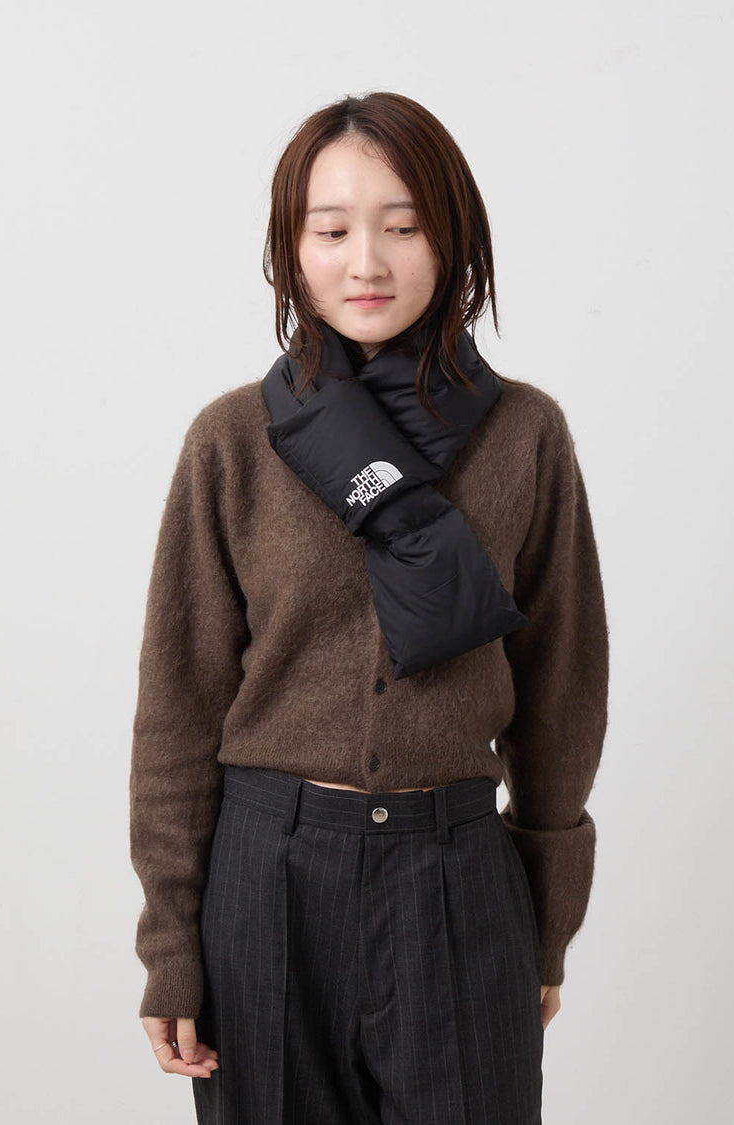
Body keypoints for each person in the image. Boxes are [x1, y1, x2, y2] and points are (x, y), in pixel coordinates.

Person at [130, 90, 610, 1125]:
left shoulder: (526, 435)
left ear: (453, 238)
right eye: (332, 230)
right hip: (267, 884)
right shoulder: (233, 441)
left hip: (460, 879)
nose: (367, 263)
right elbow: (179, 705)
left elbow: (563, 691)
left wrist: (546, 923)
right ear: (291, 251)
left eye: (402, 226)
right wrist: (170, 944)